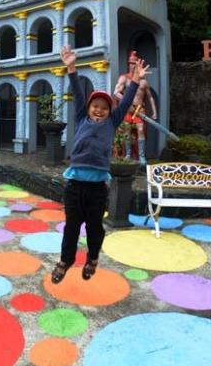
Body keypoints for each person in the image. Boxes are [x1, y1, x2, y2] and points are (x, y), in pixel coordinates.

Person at [51, 45, 150, 283]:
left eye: (104, 108)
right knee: (71, 228)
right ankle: (66, 260)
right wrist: (72, 67)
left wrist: (135, 80)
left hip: (96, 189)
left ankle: (92, 258)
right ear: (88, 109)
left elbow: (125, 103)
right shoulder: (81, 118)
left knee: (95, 228)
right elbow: (77, 92)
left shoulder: (112, 122)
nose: (99, 110)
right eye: (95, 106)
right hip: (75, 186)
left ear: (109, 112)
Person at [113, 51, 157, 165]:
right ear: (128, 64)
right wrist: (126, 102)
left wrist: (154, 112)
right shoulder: (124, 78)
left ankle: (141, 156)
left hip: (139, 109)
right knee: (127, 131)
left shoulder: (143, 81)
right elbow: (116, 92)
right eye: (131, 63)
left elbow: (150, 97)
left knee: (141, 129)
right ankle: (128, 154)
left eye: (135, 63)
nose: (133, 65)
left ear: (138, 65)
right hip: (128, 109)